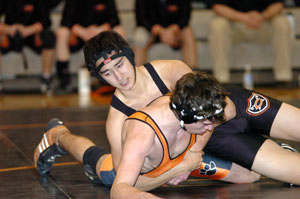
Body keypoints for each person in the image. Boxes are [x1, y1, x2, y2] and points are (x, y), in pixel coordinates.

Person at [34, 31, 260, 189]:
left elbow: (219, 106)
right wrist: (175, 170)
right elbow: (128, 182)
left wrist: (192, 155)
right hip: (151, 165)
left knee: (250, 177)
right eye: (108, 73)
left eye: (120, 65)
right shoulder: (117, 119)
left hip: (189, 147)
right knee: (106, 170)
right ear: (99, 77)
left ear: (129, 56)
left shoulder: (170, 72)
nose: (119, 77)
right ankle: (59, 136)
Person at [111, 71, 300, 198]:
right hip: (220, 140)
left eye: (212, 122)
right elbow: (120, 188)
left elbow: (230, 110)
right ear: (185, 118)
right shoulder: (143, 132)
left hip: (235, 106)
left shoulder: (200, 108)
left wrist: (194, 151)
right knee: (260, 176)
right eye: (206, 123)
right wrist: (180, 167)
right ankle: (278, 153)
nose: (210, 127)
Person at [209, 0, 292, 85]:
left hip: (264, 22)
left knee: (282, 23)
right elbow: (218, 7)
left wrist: (262, 16)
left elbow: (278, 5)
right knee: (217, 25)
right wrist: (244, 18)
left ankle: (283, 77)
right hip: (233, 23)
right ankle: (221, 79)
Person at [55, 0, 125, 91]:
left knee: (119, 31)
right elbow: (66, 20)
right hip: (78, 34)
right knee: (62, 33)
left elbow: (115, 19)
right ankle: (64, 80)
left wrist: (101, 29)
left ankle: (119, 76)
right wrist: (80, 31)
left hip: (101, 33)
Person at [0, 0, 56, 93]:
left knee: (49, 36)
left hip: (32, 33)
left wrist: (31, 29)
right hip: (10, 33)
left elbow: (46, 20)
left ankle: (46, 78)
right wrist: (5, 28)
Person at [133, 0, 198, 68]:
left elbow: (185, 17)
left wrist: (173, 29)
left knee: (188, 32)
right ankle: (137, 72)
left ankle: (192, 71)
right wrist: (158, 30)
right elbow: (141, 18)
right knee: (139, 36)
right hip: (150, 30)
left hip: (175, 31)